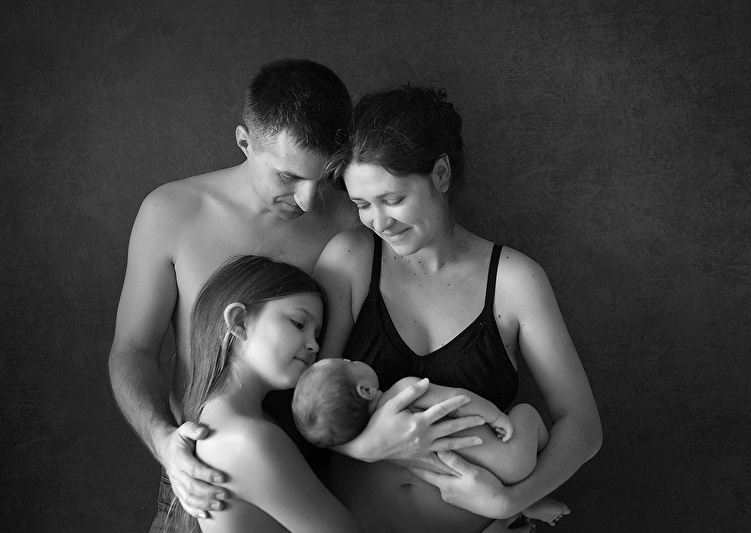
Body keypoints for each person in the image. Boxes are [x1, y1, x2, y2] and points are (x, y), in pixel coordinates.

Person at [108, 59, 490, 531]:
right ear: (245, 143)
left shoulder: (355, 219)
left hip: (321, 475)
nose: (309, 200)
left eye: (325, 177)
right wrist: (165, 442)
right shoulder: (172, 214)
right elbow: (132, 350)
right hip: (204, 476)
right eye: (288, 177)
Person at [312, 85, 603, 533]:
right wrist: (363, 447)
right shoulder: (349, 259)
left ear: (441, 173)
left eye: (393, 200)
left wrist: (511, 501)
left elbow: (581, 425)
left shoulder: (515, 281)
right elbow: (305, 398)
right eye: (362, 205)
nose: (379, 222)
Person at [166, 255, 363, 532]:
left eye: (317, 334)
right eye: (298, 323)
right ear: (239, 321)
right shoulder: (248, 439)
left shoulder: (233, 423)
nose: (314, 346)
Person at [292, 358, 571, 527]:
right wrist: (496, 416)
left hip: (465, 499)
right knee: (526, 412)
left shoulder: (361, 447)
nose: (351, 359)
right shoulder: (403, 391)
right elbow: (458, 399)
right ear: (365, 390)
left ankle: (525, 503)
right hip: (509, 461)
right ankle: (527, 495)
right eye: (348, 362)